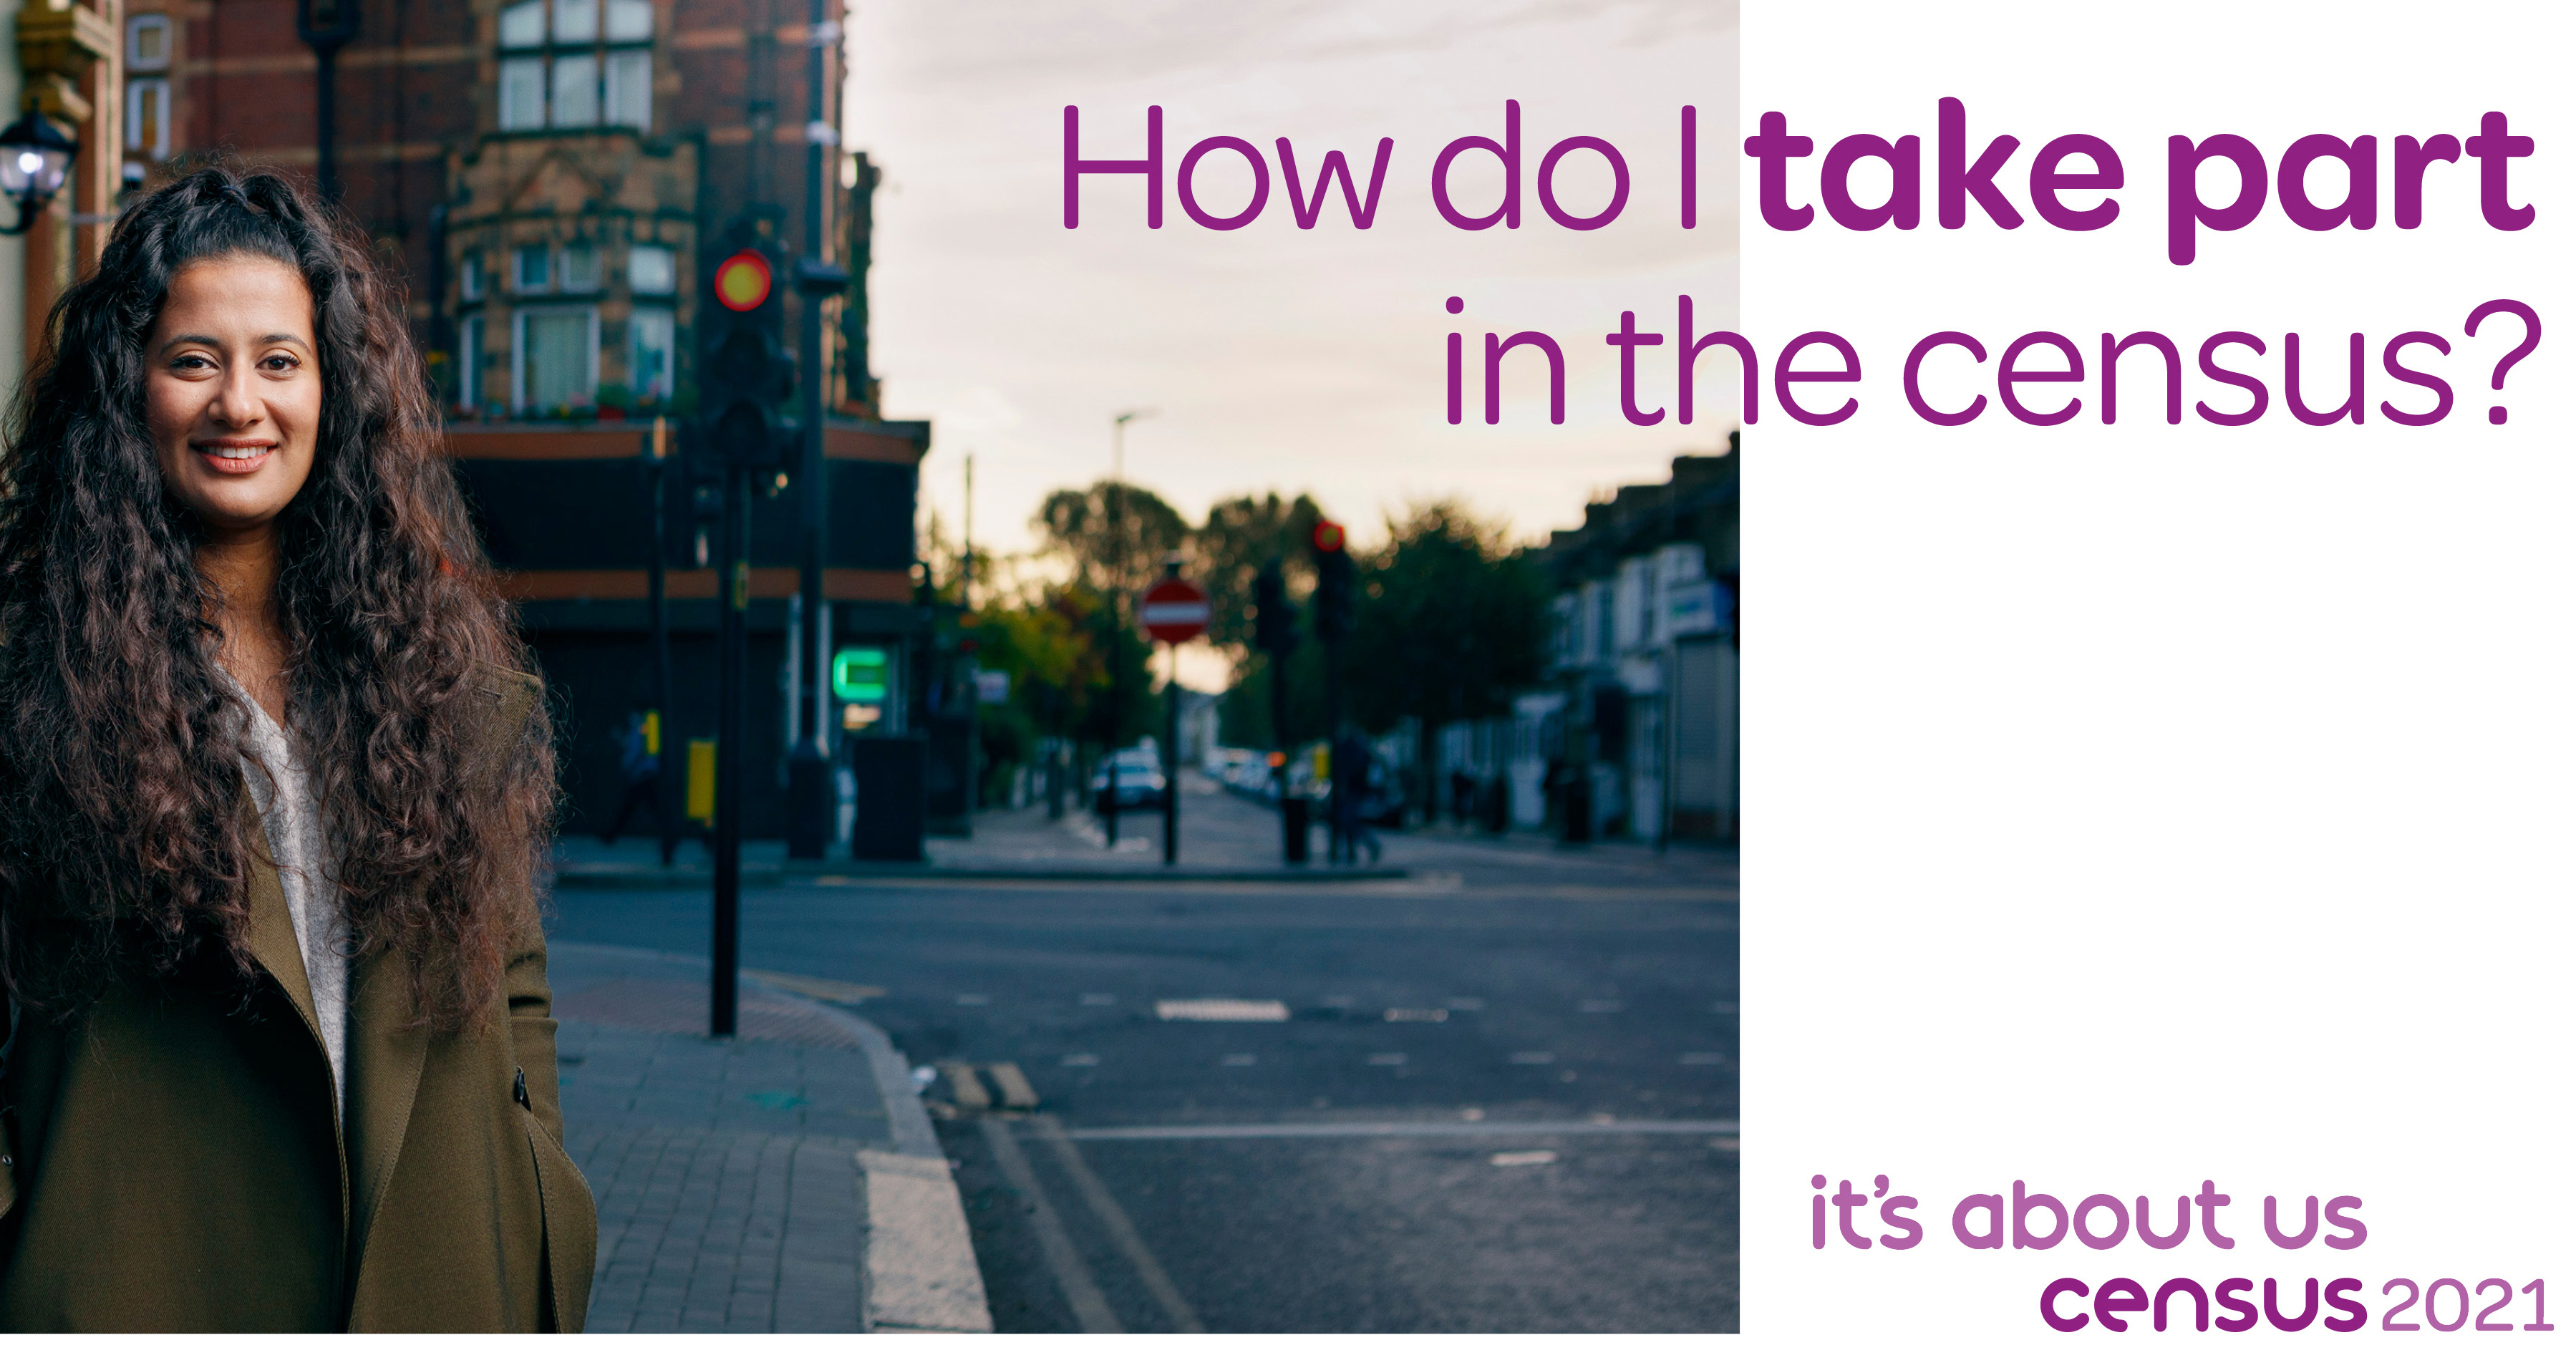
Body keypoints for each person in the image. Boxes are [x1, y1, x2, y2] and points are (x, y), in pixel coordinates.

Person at [0, 166, 594, 1331]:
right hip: (138, 1280)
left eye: (279, 359)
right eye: (192, 360)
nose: (240, 403)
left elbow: (514, 984)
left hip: (432, 1279)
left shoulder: (436, 683)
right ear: (129, 388)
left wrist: (539, 1200)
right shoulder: (31, 681)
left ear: (333, 390)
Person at [599, 707, 662, 846]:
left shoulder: (641, 727)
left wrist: (629, 767)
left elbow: (635, 751)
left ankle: (611, 836)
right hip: (644, 775)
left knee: (630, 808)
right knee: (644, 808)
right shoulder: (644, 726)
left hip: (642, 776)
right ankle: (611, 835)